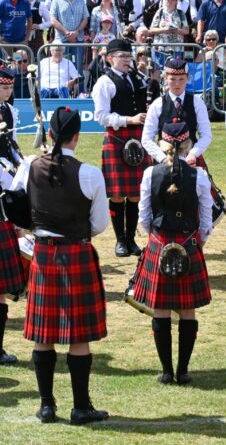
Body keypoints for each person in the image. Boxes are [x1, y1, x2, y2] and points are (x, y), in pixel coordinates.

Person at [13, 108, 110, 425]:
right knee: (78, 336)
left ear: (51, 135)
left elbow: (13, 204)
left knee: (45, 334)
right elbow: (99, 225)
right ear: (77, 136)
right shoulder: (91, 173)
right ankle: (81, 408)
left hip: (43, 255)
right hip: (77, 253)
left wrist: (33, 226)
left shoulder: (29, 165)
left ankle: (46, 406)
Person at [135, 120, 212, 385]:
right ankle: (183, 370)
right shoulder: (199, 175)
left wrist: (155, 239)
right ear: (188, 144)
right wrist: (198, 241)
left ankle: (167, 371)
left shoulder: (149, 174)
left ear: (162, 143)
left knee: (161, 309)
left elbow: (143, 216)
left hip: (160, 241)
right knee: (187, 309)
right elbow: (206, 218)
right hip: (189, 242)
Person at [91, 38, 150, 257]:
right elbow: (101, 117)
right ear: (109, 59)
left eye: (129, 56)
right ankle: (120, 241)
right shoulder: (104, 83)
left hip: (140, 137)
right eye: (122, 56)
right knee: (117, 194)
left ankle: (132, 240)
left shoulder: (138, 78)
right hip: (117, 138)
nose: (127, 60)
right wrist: (130, 120)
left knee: (135, 194)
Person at [0, 68, 23, 366]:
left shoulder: (10, 111)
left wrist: (21, 167)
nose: (5, 93)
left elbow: (12, 145)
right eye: (1, 88)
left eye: (7, 88)